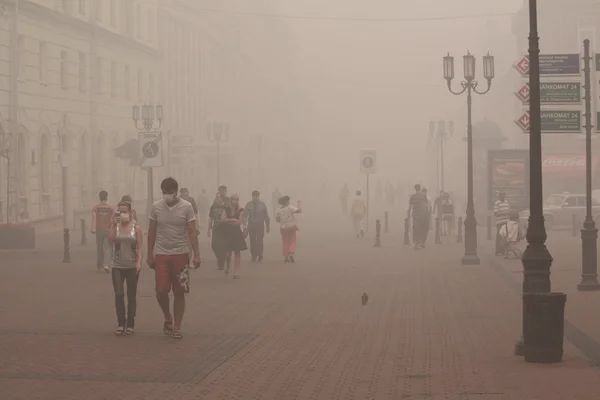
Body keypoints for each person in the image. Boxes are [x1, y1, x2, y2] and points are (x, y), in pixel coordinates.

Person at [147, 177, 200, 340]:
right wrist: (150, 254)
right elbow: (152, 231)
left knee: (179, 292)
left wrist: (196, 254)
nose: (167, 196)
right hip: (162, 254)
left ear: (176, 192)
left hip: (181, 254)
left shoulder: (187, 207)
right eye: (164, 193)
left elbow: (191, 230)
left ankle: (177, 326)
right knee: (161, 290)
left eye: (170, 193)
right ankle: (167, 316)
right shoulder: (156, 207)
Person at [108, 201, 143, 336]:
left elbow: (140, 247)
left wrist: (139, 262)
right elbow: (110, 240)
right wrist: (113, 224)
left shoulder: (136, 228)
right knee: (118, 294)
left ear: (130, 212)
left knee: (131, 295)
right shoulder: (115, 227)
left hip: (132, 266)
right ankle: (121, 323)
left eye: (125, 211)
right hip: (117, 265)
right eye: (120, 212)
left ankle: (130, 324)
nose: (122, 214)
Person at [221, 194, 248, 278]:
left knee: (237, 252)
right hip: (228, 232)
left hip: (237, 233)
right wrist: (232, 219)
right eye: (233, 200)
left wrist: (228, 221)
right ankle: (227, 265)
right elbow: (222, 219)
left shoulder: (240, 210)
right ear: (230, 200)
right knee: (228, 254)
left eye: (236, 200)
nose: (235, 201)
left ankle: (236, 272)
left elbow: (239, 222)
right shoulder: (226, 209)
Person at [243, 190, 270, 262]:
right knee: (252, 241)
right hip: (251, 225)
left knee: (260, 240)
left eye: (256, 196)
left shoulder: (262, 205)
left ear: (258, 196)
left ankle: (260, 254)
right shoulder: (248, 204)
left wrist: (268, 226)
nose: (255, 198)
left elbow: (266, 216)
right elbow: (245, 215)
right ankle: (253, 256)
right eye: (254, 196)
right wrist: (244, 225)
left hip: (260, 225)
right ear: (252, 196)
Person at [92, 190, 114, 273]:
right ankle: (106, 265)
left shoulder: (95, 208)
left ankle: (99, 264)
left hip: (99, 230)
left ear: (99, 197)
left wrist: (93, 228)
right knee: (107, 247)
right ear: (107, 197)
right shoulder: (110, 208)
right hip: (107, 230)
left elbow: (94, 218)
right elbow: (112, 220)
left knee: (99, 247)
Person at [275, 195, 302, 263]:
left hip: (283, 228)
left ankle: (286, 257)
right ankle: (291, 252)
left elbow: (277, 220)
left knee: (285, 242)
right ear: (286, 202)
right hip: (291, 226)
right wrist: (299, 203)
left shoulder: (278, 210)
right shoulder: (290, 207)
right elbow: (299, 211)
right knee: (292, 240)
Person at [207, 195, 228, 270]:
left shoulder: (225, 207)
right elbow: (211, 218)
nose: (217, 198)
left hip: (224, 229)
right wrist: (208, 229)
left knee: (222, 246)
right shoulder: (213, 207)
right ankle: (220, 259)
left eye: (219, 197)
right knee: (214, 245)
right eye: (216, 197)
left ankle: (221, 263)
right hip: (216, 228)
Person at [407, 184, 427, 249]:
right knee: (422, 228)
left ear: (415, 189)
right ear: (420, 188)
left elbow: (410, 207)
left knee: (415, 228)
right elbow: (425, 206)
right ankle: (421, 242)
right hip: (422, 214)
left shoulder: (412, 197)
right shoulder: (423, 196)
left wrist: (408, 215)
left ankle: (416, 242)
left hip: (415, 215)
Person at [494, 191, 511, 256]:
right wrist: (505, 213)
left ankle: (504, 251)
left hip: (506, 222)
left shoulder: (507, 203)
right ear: (499, 196)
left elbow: (509, 211)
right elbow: (496, 213)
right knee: (499, 237)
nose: (502, 196)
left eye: (503, 195)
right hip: (500, 223)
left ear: (504, 195)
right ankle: (498, 252)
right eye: (500, 195)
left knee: (506, 237)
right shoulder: (497, 203)